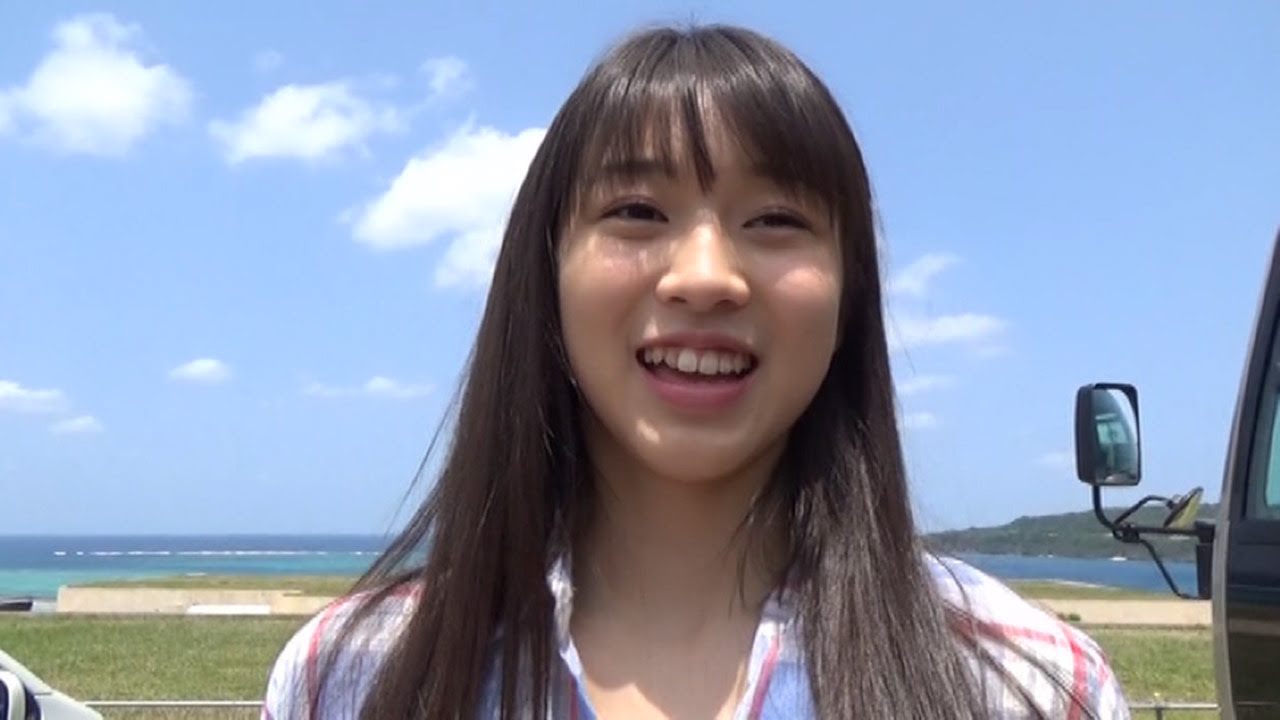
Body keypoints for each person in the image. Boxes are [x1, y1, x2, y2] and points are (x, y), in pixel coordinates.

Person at [260, 23, 1130, 720]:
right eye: (638, 211)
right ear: (545, 276)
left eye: (777, 220)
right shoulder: (351, 679)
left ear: (849, 298)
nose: (706, 276)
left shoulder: (1028, 686)